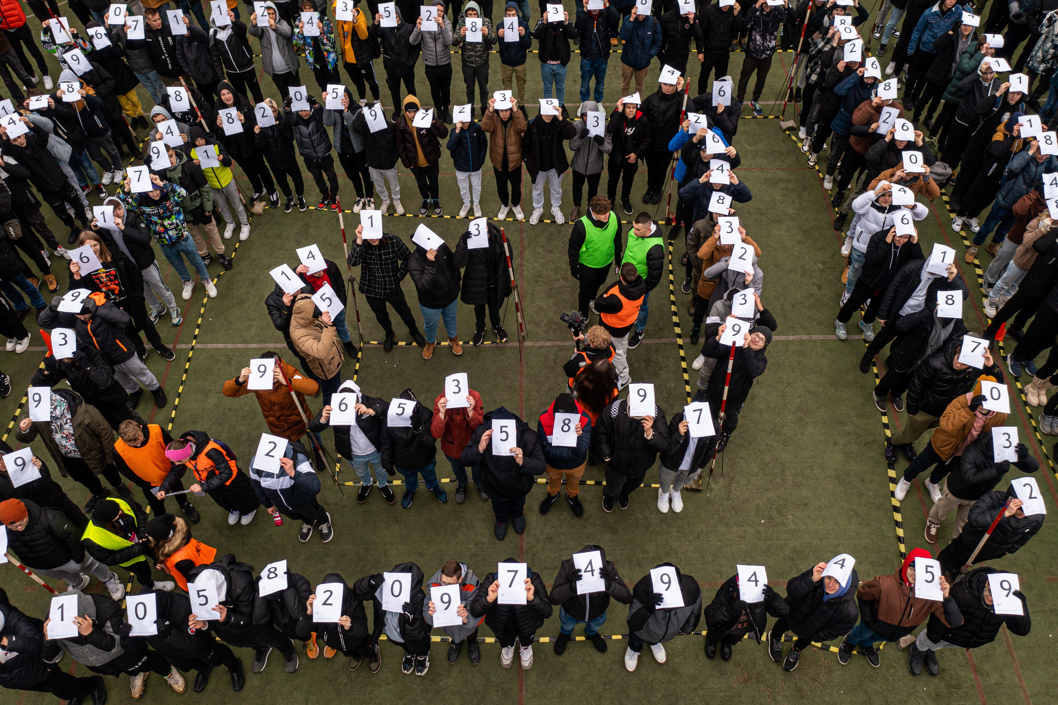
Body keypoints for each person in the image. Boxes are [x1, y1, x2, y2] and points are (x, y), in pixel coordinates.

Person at [45, 590, 186, 699]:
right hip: (98, 664)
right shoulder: (55, 621)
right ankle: (136, 675)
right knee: (128, 670)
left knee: (151, 661)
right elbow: (54, 658)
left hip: (124, 654)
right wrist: (48, 641)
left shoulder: (107, 608)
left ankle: (168, 672)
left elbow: (117, 645)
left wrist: (92, 634)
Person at [888, 337, 1004, 463]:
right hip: (925, 409)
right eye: (958, 358)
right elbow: (916, 385)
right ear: (956, 352)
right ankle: (894, 442)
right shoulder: (934, 362)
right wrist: (912, 408)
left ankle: (907, 443)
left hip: (948, 411)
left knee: (920, 431)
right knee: (911, 433)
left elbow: (998, 384)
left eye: (964, 364)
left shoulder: (975, 368)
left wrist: (992, 366)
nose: (959, 364)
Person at [840, 548, 962, 668]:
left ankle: (866, 644)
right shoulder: (883, 584)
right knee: (861, 633)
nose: (915, 574)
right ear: (906, 565)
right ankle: (849, 642)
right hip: (873, 625)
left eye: (920, 571)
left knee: (874, 638)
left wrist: (947, 598)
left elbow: (954, 622)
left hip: (894, 633)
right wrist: (869, 621)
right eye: (912, 568)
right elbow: (862, 595)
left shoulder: (931, 597)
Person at [14, 388, 126, 514]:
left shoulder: (84, 410)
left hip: (93, 451)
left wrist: (109, 457)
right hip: (68, 458)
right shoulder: (37, 414)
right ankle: (99, 493)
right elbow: (26, 437)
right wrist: (23, 429)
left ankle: (119, 486)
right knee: (85, 478)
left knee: (108, 469)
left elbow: (105, 432)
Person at [72, 231, 177, 363]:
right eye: (89, 247)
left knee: (146, 323)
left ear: (100, 243)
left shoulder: (114, 254)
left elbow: (135, 274)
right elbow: (77, 293)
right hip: (112, 308)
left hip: (132, 300)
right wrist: (76, 276)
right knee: (127, 330)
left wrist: (138, 296)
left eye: (95, 245)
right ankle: (140, 349)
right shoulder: (80, 268)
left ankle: (159, 346)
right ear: (81, 247)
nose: (93, 249)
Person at [895, 382, 1008, 502]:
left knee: (944, 470)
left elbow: (993, 435)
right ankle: (906, 479)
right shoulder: (962, 402)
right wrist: (968, 411)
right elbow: (946, 424)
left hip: (964, 452)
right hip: (943, 444)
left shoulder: (1000, 414)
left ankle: (932, 482)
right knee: (920, 463)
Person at [188, 556, 300, 676]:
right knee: (249, 643)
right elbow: (210, 621)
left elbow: (248, 618)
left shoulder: (241, 583)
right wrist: (204, 624)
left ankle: (287, 647)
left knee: (271, 638)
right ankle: (262, 649)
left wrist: (228, 618)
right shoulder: (198, 581)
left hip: (254, 627)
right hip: (231, 634)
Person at [124, 584, 245, 694]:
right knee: (194, 664)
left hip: (200, 646)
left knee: (219, 654)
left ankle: (234, 667)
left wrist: (170, 633)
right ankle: (205, 669)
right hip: (175, 655)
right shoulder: (140, 613)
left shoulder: (183, 607)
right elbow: (139, 648)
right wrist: (126, 639)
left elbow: (191, 644)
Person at [910, 565, 1029, 675]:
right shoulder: (961, 593)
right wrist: (933, 637)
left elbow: (1021, 630)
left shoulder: (1006, 604)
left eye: (996, 596)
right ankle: (919, 648)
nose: (991, 598)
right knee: (929, 641)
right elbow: (941, 616)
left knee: (940, 645)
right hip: (947, 633)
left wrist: (1021, 607)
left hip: (964, 639)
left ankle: (931, 649)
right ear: (987, 582)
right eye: (990, 591)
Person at [116, 171, 218, 301]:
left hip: (183, 238)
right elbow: (120, 205)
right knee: (178, 265)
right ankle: (187, 282)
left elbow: (183, 194)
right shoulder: (139, 200)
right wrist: (126, 190)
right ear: (143, 191)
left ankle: (206, 280)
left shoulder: (170, 193)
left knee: (196, 260)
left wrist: (162, 183)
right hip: (164, 243)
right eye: (150, 191)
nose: (155, 193)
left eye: (156, 189)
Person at [0, 498, 123, 598]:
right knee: (65, 574)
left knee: (91, 565)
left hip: (67, 558)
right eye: (14, 527)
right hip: (42, 566)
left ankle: (109, 579)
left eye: (22, 522)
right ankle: (78, 583)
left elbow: (73, 537)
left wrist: (79, 558)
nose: (19, 528)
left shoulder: (50, 518)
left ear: (26, 512)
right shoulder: (4, 528)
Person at [93, 196, 183, 327]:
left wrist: (124, 228)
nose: (117, 213)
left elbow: (145, 238)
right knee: (144, 291)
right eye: (113, 211)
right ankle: (158, 308)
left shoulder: (133, 218)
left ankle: (173, 308)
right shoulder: (106, 227)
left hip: (145, 262)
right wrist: (94, 229)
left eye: (119, 209)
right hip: (129, 267)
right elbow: (97, 242)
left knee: (159, 286)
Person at [0, 597, 106, 704]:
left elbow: (35, 644)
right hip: (13, 678)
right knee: (61, 685)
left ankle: (93, 683)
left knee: (64, 692)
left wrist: (6, 641)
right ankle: (77, 689)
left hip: (36, 667)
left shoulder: (11, 619)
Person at [462, 406, 545, 539]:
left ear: (515, 427)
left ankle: (518, 515)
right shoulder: (481, 433)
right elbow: (464, 458)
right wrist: (479, 448)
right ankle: (501, 521)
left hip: (519, 487)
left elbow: (541, 466)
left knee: (518, 504)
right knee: (498, 507)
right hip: (493, 487)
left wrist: (524, 461)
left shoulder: (529, 437)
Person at [308, 381, 395, 504]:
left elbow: (388, 408)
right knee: (361, 472)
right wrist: (322, 419)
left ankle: (383, 485)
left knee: (381, 470)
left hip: (376, 450)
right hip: (353, 455)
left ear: (358, 396)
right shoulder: (333, 409)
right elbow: (312, 427)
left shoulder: (368, 402)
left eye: (352, 398)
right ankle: (366, 483)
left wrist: (371, 411)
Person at [768, 558, 860, 672]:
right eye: (829, 577)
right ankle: (774, 637)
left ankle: (796, 650)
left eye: (837, 581)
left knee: (804, 641)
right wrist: (811, 579)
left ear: (845, 583)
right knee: (781, 625)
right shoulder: (817, 576)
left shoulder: (850, 612)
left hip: (810, 632)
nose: (830, 584)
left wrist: (814, 636)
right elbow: (792, 590)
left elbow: (836, 631)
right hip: (792, 613)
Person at [348, 223, 426, 351]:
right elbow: (352, 262)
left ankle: (414, 331)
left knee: (405, 312)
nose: (373, 239)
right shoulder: (360, 243)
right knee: (381, 316)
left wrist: (397, 278)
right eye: (369, 236)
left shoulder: (394, 241)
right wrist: (359, 239)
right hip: (371, 290)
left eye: (376, 236)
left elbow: (408, 259)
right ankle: (389, 333)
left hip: (392, 288)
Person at [160, 431, 260, 526]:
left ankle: (249, 510)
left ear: (186, 455)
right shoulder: (184, 451)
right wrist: (164, 488)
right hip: (209, 480)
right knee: (221, 499)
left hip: (230, 480)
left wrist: (203, 486)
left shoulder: (210, 451)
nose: (176, 464)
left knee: (240, 495)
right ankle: (234, 509)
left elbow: (226, 472)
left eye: (178, 461)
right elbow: (175, 471)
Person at [936, 488, 1045, 575]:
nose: (1023, 516)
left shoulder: (1037, 516)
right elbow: (975, 519)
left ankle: (953, 572)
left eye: (1027, 513)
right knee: (947, 558)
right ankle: (936, 573)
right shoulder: (993, 498)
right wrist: (1004, 513)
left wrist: (1008, 550)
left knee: (964, 564)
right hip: (970, 541)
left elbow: (1028, 535)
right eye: (1020, 511)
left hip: (991, 552)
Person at [469, 558, 552, 669]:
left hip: (528, 624)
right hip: (501, 625)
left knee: (527, 638)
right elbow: (474, 611)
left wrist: (532, 598)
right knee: (505, 640)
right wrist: (489, 599)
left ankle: (526, 647)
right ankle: (508, 646)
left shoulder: (534, 578)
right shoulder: (491, 580)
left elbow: (547, 611)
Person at [595, 387, 668, 512]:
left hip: (641, 463)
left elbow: (664, 445)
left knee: (634, 483)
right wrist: (606, 455)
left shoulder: (656, 414)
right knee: (613, 484)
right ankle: (609, 497)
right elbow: (601, 431)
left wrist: (650, 433)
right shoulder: (614, 410)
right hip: (617, 462)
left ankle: (624, 494)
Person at [549, 545, 631, 654]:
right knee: (567, 626)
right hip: (570, 613)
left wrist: (611, 586)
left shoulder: (608, 568)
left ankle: (591, 633)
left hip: (598, 614)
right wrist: (569, 588)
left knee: (594, 626)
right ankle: (565, 634)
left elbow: (627, 597)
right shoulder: (567, 566)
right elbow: (554, 598)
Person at [82, 497, 175, 591]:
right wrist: (138, 549)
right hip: (130, 559)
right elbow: (110, 559)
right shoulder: (92, 540)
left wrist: (142, 533)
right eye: (117, 514)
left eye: (118, 509)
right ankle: (150, 585)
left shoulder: (120, 502)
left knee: (154, 552)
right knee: (144, 572)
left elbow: (139, 513)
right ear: (108, 521)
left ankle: (159, 563)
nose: (120, 512)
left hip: (141, 540)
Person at [114, 420, 200, 522]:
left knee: (178, 491)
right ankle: (162, 520)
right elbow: (125, 471)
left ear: (141, 427)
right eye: (133, 444)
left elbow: (172, 448)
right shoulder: (117, 450)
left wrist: (174, 470)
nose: (138, 445)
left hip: (170, 474)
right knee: (156, 506)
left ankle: (184, 504)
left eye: (140, 441)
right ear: (121, 438)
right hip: (149, 484)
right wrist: (143, 483)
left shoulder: (156, 431)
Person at [222, 354, 319, 443]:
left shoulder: (290, 372)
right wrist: (239, 380)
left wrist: (288, 381)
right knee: (296, 448)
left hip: (301, 420)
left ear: (280, 366)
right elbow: (228, 392)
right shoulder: (256, 379)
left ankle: (317, 447)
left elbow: (313, 388)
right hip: (280, 427)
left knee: (314, 437)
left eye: (275, 370)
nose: (272, 375)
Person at [249, 440, 333, 543]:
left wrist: (293, 473)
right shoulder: (255, 464)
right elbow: (257, 486)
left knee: (316, 512)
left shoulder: (298, 459)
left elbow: (315, 486)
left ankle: (324, 521)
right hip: (281, 505)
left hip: (304, 501)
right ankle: (308, 522)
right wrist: (267, 504)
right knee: (295, 516)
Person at [623, 562, 701, 672]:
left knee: (654, 638)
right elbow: (632, 624)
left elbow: (695, 611)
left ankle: (654, 642)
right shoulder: (643, 587)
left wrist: (688, 629)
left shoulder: (692, 588)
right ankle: (633, 649)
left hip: (667, 632)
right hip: (642, 631)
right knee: (635, 640)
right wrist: (647, 609)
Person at [356, 563, 430, 676]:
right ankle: (409, 654)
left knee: (421, 646)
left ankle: (422, 656)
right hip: (393, 634)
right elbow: (359, 592)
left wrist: (412, 619)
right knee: (405, 646)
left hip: (411, 636)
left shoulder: (419, 599)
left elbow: (420, 633)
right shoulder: (382, 589)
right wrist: (370, 582)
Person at [704, 570, 788, 662]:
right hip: (722, 626)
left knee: (732, 638)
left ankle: (727, 643)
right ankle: (712, 642)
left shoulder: (762, 595)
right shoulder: (728, 589)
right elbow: (710, 616)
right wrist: (729, 610)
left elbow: (784, 611)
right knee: (715, 635)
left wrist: (774, 598)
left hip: (741, 630)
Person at [381, 389, 446, 508]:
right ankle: (411, 489)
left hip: (425, 460)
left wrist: (419, 428)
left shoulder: (426, 414)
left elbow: (429, 442)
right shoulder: (389, 418)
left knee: (430, 476)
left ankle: (434, 486)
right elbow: (386, 443)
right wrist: (387, 463)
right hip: (403, 462)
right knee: (409, 479)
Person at [0, 440, 85, 528]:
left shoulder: (29, 460)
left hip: (57, 503)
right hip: (35, 518)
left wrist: (39, 471)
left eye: (1, 458)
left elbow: (47, 485)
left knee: (81, 525)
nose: (0, 464)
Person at [454, 220, 512, 344]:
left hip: (495, 284)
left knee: (494, 308)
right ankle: (480, 328)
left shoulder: (500, 240)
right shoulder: (469, 240)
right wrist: (463, 243)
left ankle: (496, 326)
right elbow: (459, 262)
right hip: (477, 284)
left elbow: (508, 264)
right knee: (479, 309)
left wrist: (507, 283)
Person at [408, 236, 462, 360]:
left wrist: (455, 282)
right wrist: (430, 263)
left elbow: (454, 263)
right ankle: (430, 342)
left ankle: (453, 338)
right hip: (430, 303)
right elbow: (424, 286)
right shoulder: (413, 261)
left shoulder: (441, 247)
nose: (437, 245)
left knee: (451, 318)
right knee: (430, 325)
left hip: (451, 296)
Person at [593, 263, 646, 389]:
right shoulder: (641, 286)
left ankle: (624, 376)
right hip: (626, 324)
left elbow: (598, 304)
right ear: (637, 275)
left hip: (613, 328)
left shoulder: (616, 298)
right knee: (622, 346)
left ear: (621, 278)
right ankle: (623, 359)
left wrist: (605, 296)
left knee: (615, 353)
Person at [568, 195, 622, 317]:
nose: (607, 215)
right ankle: (583, 314)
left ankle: (592, 300)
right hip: (588, 266)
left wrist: (618, 259)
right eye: (603, 213)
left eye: (607, 211)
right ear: (594, 213)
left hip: (606, 262)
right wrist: (574, 267)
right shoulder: (581, 226)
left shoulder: (615, 217)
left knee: (599, 283)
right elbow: (573, 249)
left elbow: (617, 239)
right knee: (584, 291)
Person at [310, 572, 377, 671]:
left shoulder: (354, 602)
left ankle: (373, 654)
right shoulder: (319, 605)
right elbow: (303, 630)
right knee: (349, 653)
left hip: (357, 640)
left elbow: (363, 631)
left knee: (366, 650)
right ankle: (356, 656)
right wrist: (310, 613)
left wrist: (350, 626)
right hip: (336, 643)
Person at [431, 385, 485, 503]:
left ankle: (479, 482)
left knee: (477, 467)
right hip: (452, 449)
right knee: (457, 468)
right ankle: (462, 484)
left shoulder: (475, 397)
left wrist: (471, 412)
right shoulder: (439, 401)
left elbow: (481, 426)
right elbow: (435, 433)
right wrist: (441, 414)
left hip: (473, 447)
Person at [288, 291, 344, 402]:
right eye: (316, 311)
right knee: (330, 394)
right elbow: (321, 352)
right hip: (326, 367)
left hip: (331, 359)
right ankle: (328, 416)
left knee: (334, 388)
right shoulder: (299, 336)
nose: (320, 313)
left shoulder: (304, 315)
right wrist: (328, 327)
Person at [655, 407, 713, 514]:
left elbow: (710, 450)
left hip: (692, 466)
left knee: (683, 481)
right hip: (671, 463)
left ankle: (675, 491)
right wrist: (679, 435)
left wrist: (700, 467)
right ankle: (664, 492)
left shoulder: (712, 427)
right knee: (665, 480)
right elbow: (667, 449)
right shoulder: (677, 420)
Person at [424, 560, 483, 664]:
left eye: (449, 584)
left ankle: (472, 643)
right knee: (454, 636)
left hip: (468, 627)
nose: (445, 587)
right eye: (443, 582)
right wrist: (431, 615)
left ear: (460, 579)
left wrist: (466, 618)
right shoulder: (434, 585)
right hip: (449, 627)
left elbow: (479, 614)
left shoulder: (472, 586)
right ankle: (456, 642)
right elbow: (425, 614)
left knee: (472, 633)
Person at [253, 564, 317, 659]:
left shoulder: (299, 582)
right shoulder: (265, 591)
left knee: (306, 630)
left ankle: (311, 638)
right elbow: (259, 619)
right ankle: (308, 640)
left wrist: (288, 589)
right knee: (295, 634)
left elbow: (298, 614)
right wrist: (260, 593)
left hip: (305, 619)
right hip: (285, 625)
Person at [351, 100, 403, 214]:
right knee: (379, 186)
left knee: (394, 185)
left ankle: (396, 201)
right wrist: (363, 112)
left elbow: (397, 144)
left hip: (388, 164)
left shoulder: (391, 126)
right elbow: (355, 125)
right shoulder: (367, 128)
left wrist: (393, 159)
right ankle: (385, 201)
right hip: (373, 164)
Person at [639, 77, 686, 204]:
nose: (667, 87)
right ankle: (650, 188)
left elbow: (689, 109)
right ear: (660, 83)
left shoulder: (679, 100)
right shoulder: (651, 99)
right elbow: (640, 116)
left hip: (668, 144)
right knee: (651, 167)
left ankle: (658, 189)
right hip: (651, 143)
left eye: (671, 85)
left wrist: (681, 91)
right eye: (665, 84)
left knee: (662, 168)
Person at [622, 213, 665, 349]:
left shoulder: (655, 249)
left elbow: (654, 278)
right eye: (633, 227)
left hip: (640, 286)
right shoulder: (633, 232)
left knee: (642, 307)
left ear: (648, 229)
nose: (633, 231)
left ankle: (639, 330)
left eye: (638, 229)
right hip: (625, 278)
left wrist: (642, 290)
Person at [737, 0, 787, 116]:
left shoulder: (777, 11)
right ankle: (739, 101)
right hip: (753, 53)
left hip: (767, 54)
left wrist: (786, 6)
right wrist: (757, 5)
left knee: (761, 79)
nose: (767, 4)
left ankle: (755, 101)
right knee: (744, 78)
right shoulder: (755, 9)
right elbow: (745, 24)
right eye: (765, 2)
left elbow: (791, 20)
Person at [144, 513, 217, 593]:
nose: (146, 535)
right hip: (203, 558)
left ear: (159, 539)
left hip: (199, 576)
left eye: (150, 535)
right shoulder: (181, 532)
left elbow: (194, 579)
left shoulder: (178, 559)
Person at [482, 95, 528, 220]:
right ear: (498, 110)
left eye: (506, 110)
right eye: (501, 111)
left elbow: (523, 127)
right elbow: (485, 127)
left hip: (515, 162)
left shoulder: (515, 118)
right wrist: (490, 110)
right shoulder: (494, 119)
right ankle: (505, 204)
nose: (504, 114)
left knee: (516, 186)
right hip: (498, 162)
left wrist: (515, 109)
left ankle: (515, 204)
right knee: (501, 186)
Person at [606, 94, 652, 216]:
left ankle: (625, 199)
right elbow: (610, 129)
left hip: (631, 158)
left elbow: (648, 138)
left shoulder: (642, 119)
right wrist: (619, 112)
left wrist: (636, 154)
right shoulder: (617, 114)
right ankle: (611, 199)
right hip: (616, 156)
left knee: (628, 181)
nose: (631, 110)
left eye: (633, 107)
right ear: (623, 107)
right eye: (628, 107)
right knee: (613, 180)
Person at [371, 6, 419, 118]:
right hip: (391, 67)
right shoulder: (385, 28)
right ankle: (397, 111)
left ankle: (414, 109)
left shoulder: (409, 27)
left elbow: (416, 47)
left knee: (411, 89)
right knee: (394, 91)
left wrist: (411, 62)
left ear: (399, 16)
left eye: (396, 17)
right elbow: (373, 34)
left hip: (407, 67)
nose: (395, 20)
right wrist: (376, 22)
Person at [568, 102, 613, 219]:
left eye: (590, 115)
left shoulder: (603, 126)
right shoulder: (577, 126)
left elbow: (609, 148)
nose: (587, 118)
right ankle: (577, 206)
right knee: (577, 188)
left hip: (595, 166)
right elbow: (572, 146)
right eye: (585, 115)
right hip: (578, 165)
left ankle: (590, 207)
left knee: (593, 189)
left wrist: (601, 142)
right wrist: (580, 137)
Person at [453, 2, 497, 116]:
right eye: (469, 14)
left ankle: (484, 107)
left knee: (483, 87)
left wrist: (487, 34)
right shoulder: (462, 23)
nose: (472, 16)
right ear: (466, 14)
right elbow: (454, 41)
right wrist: (460, 36)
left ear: (478, 13)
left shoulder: (486, 22)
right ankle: (470, 107)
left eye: (474, 14)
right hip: (467, 63)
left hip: (482, 62)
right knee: (469, 88)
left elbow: (494, 41)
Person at [248, 2, 302, 95]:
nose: (271, 16)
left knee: (298, 95)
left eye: (273, 13)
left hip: (290, 69)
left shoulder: (282, 23)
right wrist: (253, 24)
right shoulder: (262, 28)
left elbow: (288, 32)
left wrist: (275, 27)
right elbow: (254, 32)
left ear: (276, 13)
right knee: (285, 95)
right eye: (268, 14)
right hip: (275, 73)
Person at [411, 2, 453, 120]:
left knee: (446, 90)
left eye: (441, 11)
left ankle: (446, 110)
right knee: (435, 90)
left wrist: (443, 27)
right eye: (437, 10)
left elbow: (449, 41)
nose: (439, 13)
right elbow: (412, 41)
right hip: (430, 65)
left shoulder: (447, 23)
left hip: (445, 63)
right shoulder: (424, 23)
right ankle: (439, 111)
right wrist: (418, 28)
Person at [574, 1, 620, 102]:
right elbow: (578, 26)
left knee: (600, 84)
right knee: (584, 85)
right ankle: (584, 102)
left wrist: (607, 4)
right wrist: (584, 10)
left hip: (602, 57)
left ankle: (598, 102)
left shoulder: (605, 14)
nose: (594, 10)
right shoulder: (585, 15)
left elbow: (616, 18)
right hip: (587, 58)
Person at [334, 5, 380, 104]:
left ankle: (377, 101)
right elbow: (333, 7)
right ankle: (362, 99)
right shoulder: (339, 18)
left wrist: (355, 21)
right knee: (358, 82)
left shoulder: (358, 13)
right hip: (348, 60)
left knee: (372, 82)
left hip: (362, 58)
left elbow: (364, 35)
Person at [446, 112, 488, 218]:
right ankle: (466, 204)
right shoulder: (454, 131)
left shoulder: (477, 129)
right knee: (463, 188)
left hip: (475, 166)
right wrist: (457, 131)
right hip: (461, 167)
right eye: (463, 122)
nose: (465, 124)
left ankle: (476, 204)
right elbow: (450, 146)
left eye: (467, 121)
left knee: (476, 187)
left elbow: (484, 144)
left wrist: (481, 160)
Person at [532, 5, 576, 105]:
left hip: (561, 64)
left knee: (560, 87)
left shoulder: (565, 22)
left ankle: (560, 106)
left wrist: (566, 23)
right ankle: (547, 107)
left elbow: (574, 35)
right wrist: (544, 22)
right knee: (547, 87)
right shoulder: (542, 21)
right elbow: (536, 35)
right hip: (546, 64)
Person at [293, 0, 339, 91]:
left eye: (309, 8)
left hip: (329, 60)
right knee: (323, 87)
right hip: (315, 62)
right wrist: (301, 32)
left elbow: (331, 42)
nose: (307, 11)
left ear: (314, 8)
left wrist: (321, 31)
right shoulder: (299, 21)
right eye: (305, 9)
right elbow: (296, 43)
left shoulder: (324, 20)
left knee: (336, 85)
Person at [697, 0, 739, 92]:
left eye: (728, 4)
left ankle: (718, 100)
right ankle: (701, 97)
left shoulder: (734, 11)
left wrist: (736, 16)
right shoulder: (708, 10)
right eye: (724, 4)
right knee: (704, 76)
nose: (726, 7)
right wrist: (700, 51)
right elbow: (701, 33)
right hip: (709, 51)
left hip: (724, 52)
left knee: (721, 79)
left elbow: (737, 30)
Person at [619, 5, 661, 96]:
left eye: (642, 14)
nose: (640, 16)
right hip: (628, 60)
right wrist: (631, 20)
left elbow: (658, 41)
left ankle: (637, 106)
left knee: (639, 87)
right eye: (638, 14)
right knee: (625, 85)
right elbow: (623, 36)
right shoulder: (628, 18)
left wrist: (648, 55)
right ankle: (623, 105)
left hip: (643, 62)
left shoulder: (653, 22)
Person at [498, 2, 532, 104]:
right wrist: (501, 37)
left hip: (520, 62)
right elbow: (502, 48)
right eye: (509, 15)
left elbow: (528, 45)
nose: (511, 17)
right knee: (506, 89)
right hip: (506, 63)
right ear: (505, 15)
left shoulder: (524, 25)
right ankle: (508, 107)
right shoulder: (500, 26)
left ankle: (521, 106)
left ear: (517, 14)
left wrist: (523, 36)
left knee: (521, 87)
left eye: (513, 14)